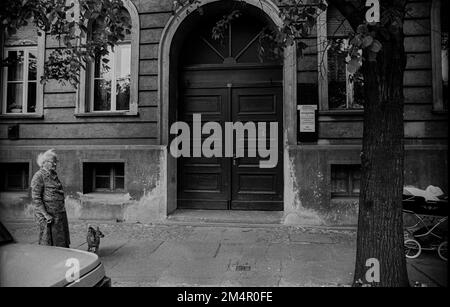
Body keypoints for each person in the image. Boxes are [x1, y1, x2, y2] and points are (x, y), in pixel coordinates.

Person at [31, 149, 70, 247]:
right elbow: (36, 198)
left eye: (56, 162)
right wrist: (45, 214)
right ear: (44, 163)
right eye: (53, 162)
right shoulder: (38, 176)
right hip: (48, 215)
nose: (55, 164)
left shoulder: (53, 174)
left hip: (59, 213)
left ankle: (62, 256)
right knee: (49, 241)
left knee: (60, 239)